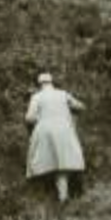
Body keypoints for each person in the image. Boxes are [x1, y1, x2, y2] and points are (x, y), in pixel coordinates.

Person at [25, 73, 85, 203]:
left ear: (40, 84)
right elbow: (80, 106)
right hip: (64, 128)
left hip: (45, 129)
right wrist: (71, 111)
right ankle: (63, 195)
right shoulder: (63, 94)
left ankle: (48, 193)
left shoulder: (37, 96)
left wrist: (41, 117)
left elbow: (29, 118)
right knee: (63, 162)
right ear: (52, 82)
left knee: (45, 160)